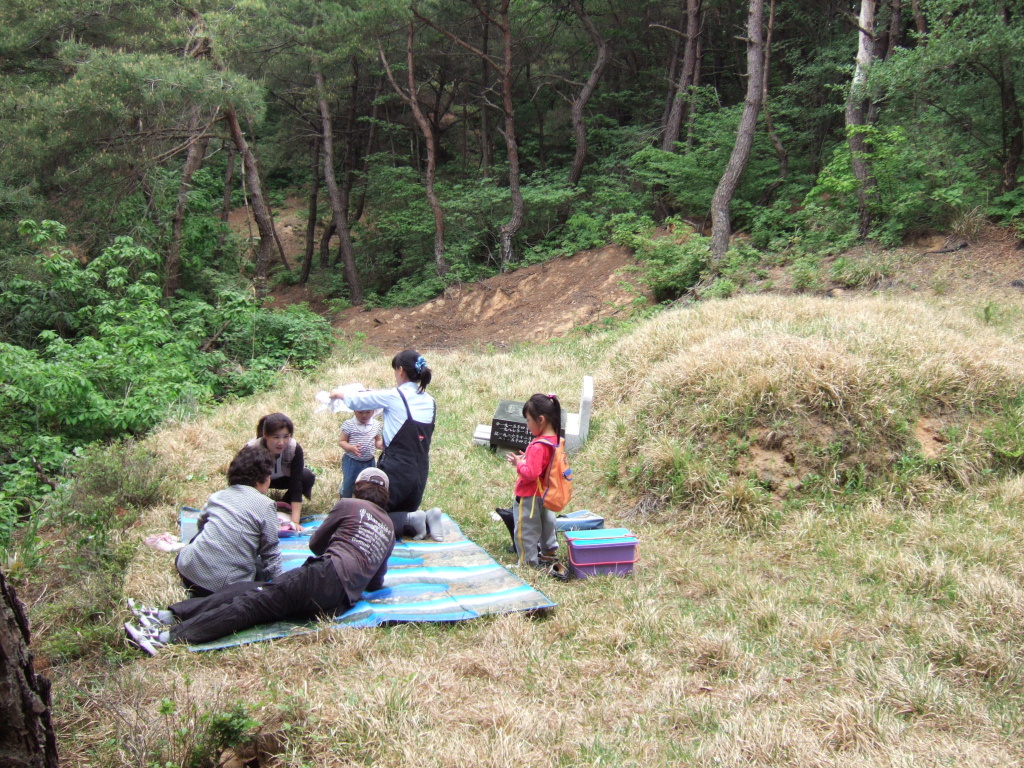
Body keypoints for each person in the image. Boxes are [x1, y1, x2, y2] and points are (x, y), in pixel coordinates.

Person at [124, 468, 395, 654]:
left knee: (252, 604)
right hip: (336, 603)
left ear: (358, 488)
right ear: (385, 496)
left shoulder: (349, 505)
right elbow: (375, 583)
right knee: (246, 590)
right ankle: (167, 615)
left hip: (323, 575)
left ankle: (168, 637)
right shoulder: (390, 530)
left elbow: (315, 545)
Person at [329, 349, 442, 541]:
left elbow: (359, 401)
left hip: (396, 470)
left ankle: (410, 519)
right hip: (420, 472)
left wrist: (338, 394)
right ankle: (428, 517)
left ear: (400, 371)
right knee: (401, 512)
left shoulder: (394, 396)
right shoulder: (431, 401)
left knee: (370, 517)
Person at [174, 444, 283, 597]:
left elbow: (201, 524)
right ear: (261, 479)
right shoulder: (265, 505)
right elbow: (271, 554)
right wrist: (282, 588)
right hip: (222, 588)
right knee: (259, 572)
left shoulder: (219, 496)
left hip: (188, 571)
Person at [505, 394, 563, 572]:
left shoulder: (538, 445)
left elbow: (531, 473)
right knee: (547, 523)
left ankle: (527, 563)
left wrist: (519, 463)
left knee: (526, 529)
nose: (527, 425)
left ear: (541, 420)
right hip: (546, 492)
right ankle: (548, 554)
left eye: (528, 420)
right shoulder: (555, 440)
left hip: (529, 495)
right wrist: (527, 458)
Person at [247, 412, 316, 529]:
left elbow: (296, 482)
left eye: (286, 437)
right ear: (265, 435)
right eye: (276, 437)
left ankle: (286, 504)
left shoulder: (294, 448)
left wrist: (295, 521)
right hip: (260, 481)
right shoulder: (252, 449)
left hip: (284, 478)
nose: (281, 442)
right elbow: (245, 484)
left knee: (307, 476)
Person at [339, 408, 383, 499]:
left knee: (367, 483)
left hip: (369, 461)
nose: (364, 415)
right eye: (360, 412)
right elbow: (342, 441)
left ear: (374, 411)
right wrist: (350, 448)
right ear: (354, 411)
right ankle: (345, 499)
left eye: (368, 412)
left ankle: (361, 501)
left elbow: (377, 440)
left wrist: (382, 446)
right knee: (349, 483)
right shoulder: (349, 424)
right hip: (352, 461)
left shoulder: (376, 425)